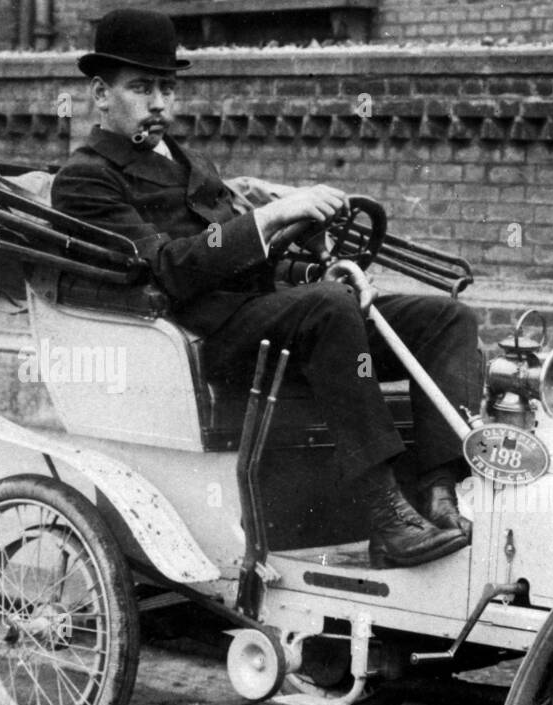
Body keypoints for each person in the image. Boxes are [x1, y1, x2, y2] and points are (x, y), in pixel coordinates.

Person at [52, 8, 479, 568]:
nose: (159, 103)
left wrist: (311, 275)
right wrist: (272, 216)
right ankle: (385, 513)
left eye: (167, 88)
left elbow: (252, 260)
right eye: (141, 87)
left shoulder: (187, 160)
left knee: (445, 319)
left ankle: (438, 492)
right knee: (328, 310)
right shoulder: (86, 178)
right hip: (200, 338)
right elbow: (168, 268)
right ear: (100, 94)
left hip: (265, 319)